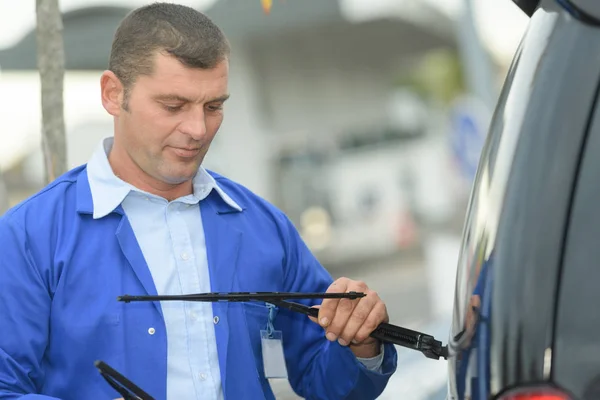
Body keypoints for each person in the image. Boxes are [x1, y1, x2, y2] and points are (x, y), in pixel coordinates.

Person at [0, 3, 398, 399]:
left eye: (213, 107)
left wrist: (362, 339)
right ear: (112, 93)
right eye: (173, 106)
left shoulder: (262, 225)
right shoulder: (28, 237)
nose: (197, 129)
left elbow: (325, 380)